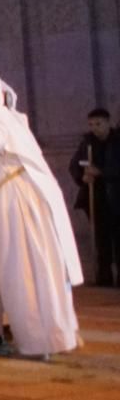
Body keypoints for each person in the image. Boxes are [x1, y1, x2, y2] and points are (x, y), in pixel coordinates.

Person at [0, 69, 83, 355]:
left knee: (25, 266)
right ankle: (54, 333)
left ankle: (40, 338)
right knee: (40, 265)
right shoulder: (5, 115)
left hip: (19, 195)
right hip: (22, 191)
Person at [71, 106, 119, 287]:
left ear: (108, 123)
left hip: (116, 198)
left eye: (98, 124)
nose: (94, 128)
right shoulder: (88, 143)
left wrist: (101, 172)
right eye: (91, 124)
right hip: (97, 199)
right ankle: (104, 278)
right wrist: (82, 176)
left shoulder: (117, 141)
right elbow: (75, 165)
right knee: (102, 240)